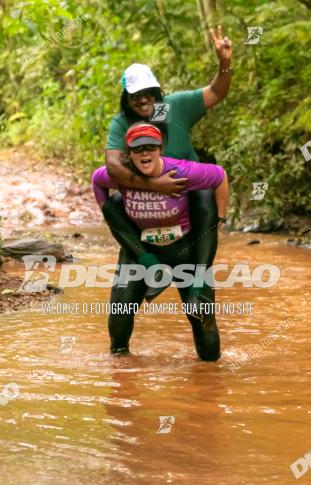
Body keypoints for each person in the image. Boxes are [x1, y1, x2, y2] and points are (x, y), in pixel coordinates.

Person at [102, 26, 233, 284]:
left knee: (204, 198)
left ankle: (198, 282)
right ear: (126, 99)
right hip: (144, 208)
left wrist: (224, 63)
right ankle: (145, 260)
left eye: (149, 93)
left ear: (157, 93)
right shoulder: (121, 122)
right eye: (136, 95)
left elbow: (216, 92)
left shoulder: (171, 108)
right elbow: (113, 167)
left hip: (189, 200)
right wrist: (155, 185)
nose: (143, 100)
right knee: (112, 205)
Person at [92, 123, 230, 361]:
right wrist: (110, 213)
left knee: (202, 319)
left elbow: (220, 175)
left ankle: (210, 376)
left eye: (150, 147)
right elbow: (97, 181)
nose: (145, 153)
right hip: (141, 248)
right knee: (120, 313)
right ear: (129, 154)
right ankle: (122, 375)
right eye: (138, 149)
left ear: (160, 148)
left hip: (185, 249)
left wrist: (220, 215)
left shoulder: (182, 171)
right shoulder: (118, 175)